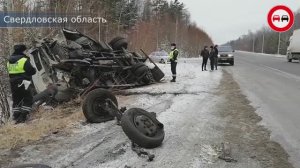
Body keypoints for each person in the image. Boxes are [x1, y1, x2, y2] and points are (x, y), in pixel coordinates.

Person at [7, 44, 36, 123]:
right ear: (22, 50)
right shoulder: (24, 60)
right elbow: (31, 71)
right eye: (25, 50)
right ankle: (23, 117)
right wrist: (34, 70)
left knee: (16, 99)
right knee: (28, 98)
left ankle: (16, 117)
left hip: (13, 82)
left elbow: (10, 72)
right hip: (24, 81)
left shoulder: (9, 61)